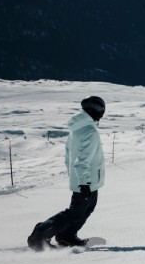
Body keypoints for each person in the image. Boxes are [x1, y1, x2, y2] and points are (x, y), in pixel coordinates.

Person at [27, 96, 106, 250]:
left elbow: (68, 157)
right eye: (100, 110)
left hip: (87, 180)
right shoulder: (90, 132)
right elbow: (81, 161)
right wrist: (84, 184)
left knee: (86, 209)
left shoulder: (77, 129)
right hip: (86, 182)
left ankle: (67, 235)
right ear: (93, 110)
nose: (101, 114)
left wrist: (77, 178)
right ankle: (40, 234)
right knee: (74, 213)